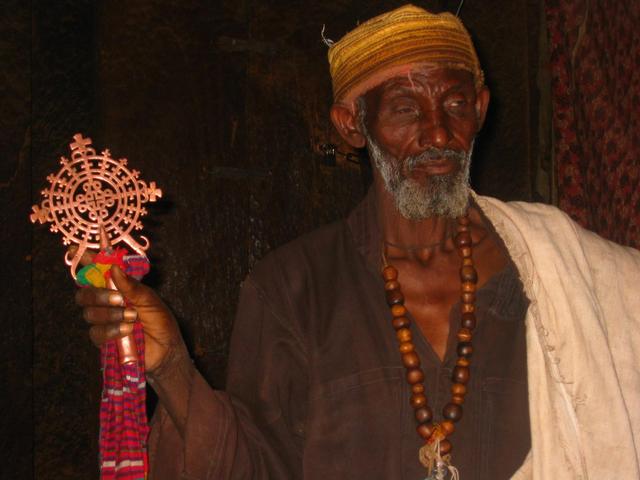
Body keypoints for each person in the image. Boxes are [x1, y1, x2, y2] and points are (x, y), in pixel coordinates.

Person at [76, 5, 640, 479]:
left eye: (455, 105)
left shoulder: (561, 275)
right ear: (351, 124)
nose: (438, 133)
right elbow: (255, 466)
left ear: (482, 110)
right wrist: (172, 364)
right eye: (403, 109)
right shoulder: (291, 290)